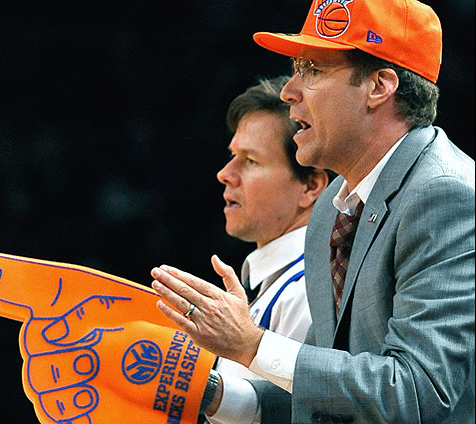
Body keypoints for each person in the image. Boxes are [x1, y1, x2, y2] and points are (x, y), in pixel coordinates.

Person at [150, 0, 475, 423]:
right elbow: (331, 392)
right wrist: (208, 394)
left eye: (312, 69)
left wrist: (252, 345)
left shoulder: (446, 195)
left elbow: (415, 392)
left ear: (379, 87)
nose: (289, 91)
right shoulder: (332, 206)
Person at [202, 76, 332, 423]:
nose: (225, 174)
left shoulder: (306, 292)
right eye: (233, 156)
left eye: (251, 161)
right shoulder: (277, 284)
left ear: (311, 186)